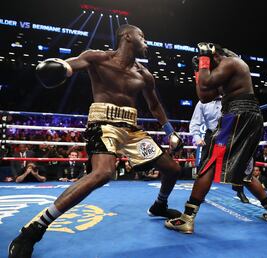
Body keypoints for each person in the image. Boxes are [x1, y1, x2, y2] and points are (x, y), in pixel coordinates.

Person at [9, 24, 183, 257]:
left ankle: (159, 205)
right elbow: (71, 65)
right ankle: (34, 228)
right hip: (103, 124)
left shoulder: (145, 74)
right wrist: (60, 67)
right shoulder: (98, 58)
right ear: (128, 36)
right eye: (143, 36)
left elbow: (154, 105)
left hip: (131, 128)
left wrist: (170, 131)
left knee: (172, 169)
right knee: (102, 173)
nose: (147, 42)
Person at [165, 43, 267, 234]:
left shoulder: (232, 62)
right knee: (245, 169)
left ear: (215, 55)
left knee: (209, 163)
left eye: (208, 61)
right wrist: (199, 71)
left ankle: (187, 218)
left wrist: (204, 60)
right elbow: (204, 96)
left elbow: (206, 84)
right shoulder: (226, 77)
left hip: (237, 115)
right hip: (246, 117)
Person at [189, 89, 249, 203]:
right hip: (211, 134)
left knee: (238, 163)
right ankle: (198, 194)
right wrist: (197, 137)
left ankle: (239, 191)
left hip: (231, 134)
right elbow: (195, 121)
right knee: (204, 165)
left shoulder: (231, 99)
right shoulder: (203, 102)